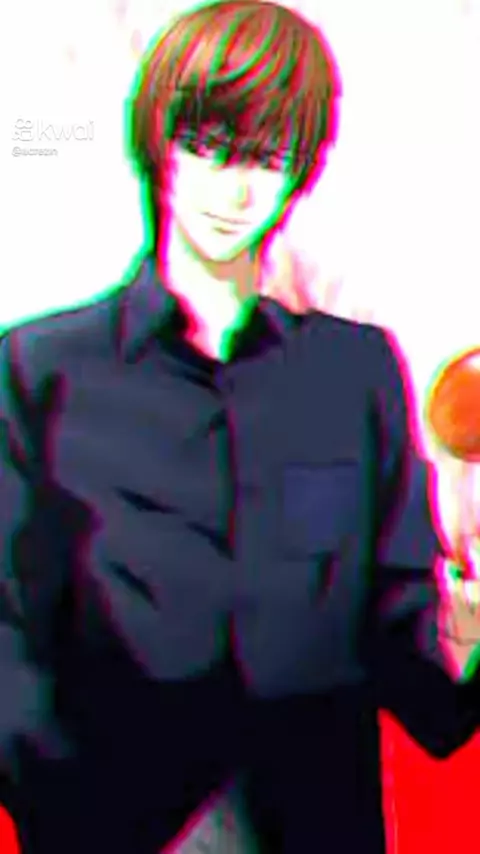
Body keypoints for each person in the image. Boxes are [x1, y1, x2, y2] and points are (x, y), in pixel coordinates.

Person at [1, 2, 479, 852]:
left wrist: (467, 650)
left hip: (317, 824)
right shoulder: (41, 371)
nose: (235, 190)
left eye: (268, 159)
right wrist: (62, 803)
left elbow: (407, 650)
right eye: (210, 147)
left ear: (299, 172)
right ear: (160, 142)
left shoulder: (355, 373)